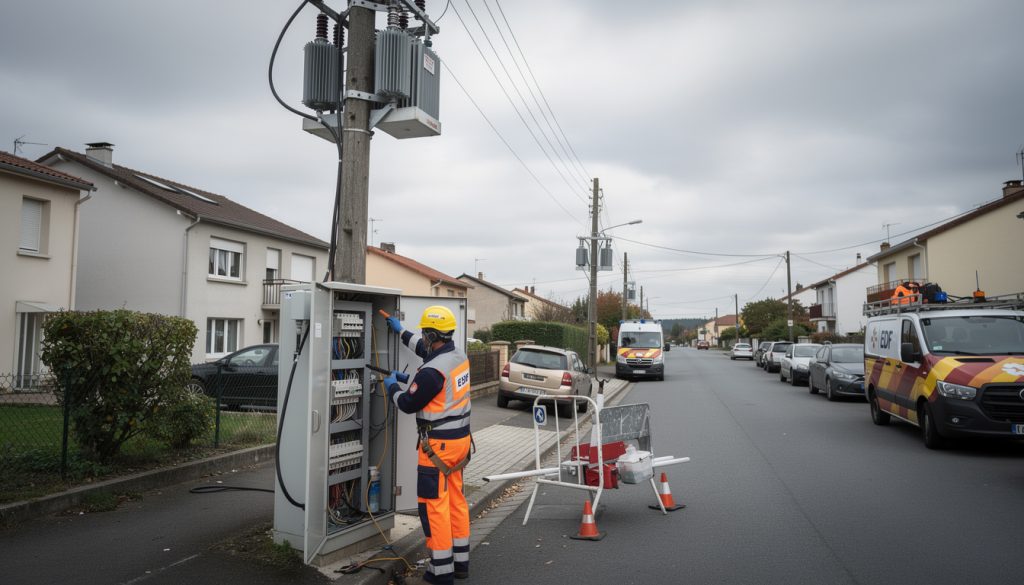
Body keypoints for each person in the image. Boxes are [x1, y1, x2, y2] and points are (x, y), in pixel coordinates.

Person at [383, 306, 472, 584]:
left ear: (433, 334)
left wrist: (392, 387)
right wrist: (401, 332)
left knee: (433, 507)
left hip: (437, 448)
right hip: (460, 443)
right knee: (456, 500)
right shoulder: (457, 357)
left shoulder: (431, 372)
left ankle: (441, 571)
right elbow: (427, 356)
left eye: (424, 333)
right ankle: (460, 563)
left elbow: (409, 403)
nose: (421, 338)